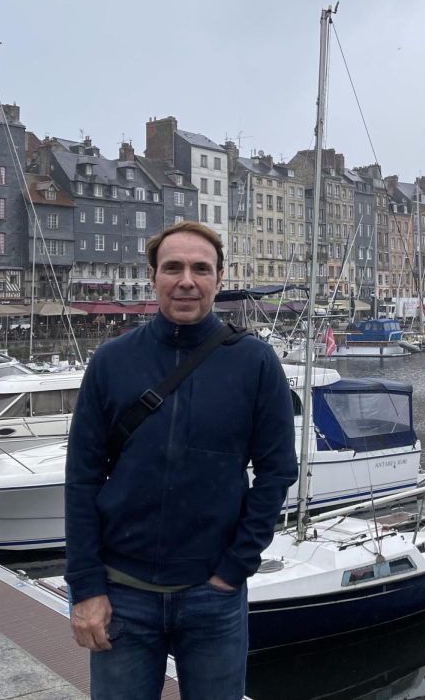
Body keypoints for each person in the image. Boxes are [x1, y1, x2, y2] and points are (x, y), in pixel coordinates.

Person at [65, 221, 298, 699]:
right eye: (173, 267)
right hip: (122, 591)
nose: (186, 280)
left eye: (200, 268)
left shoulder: (255, 362)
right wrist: (86, 587)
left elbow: (276, 472)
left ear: (219, 277)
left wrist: (234, 568)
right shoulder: (112, 361)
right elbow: (82, 479)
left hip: (212, 594)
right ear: (153, 276)